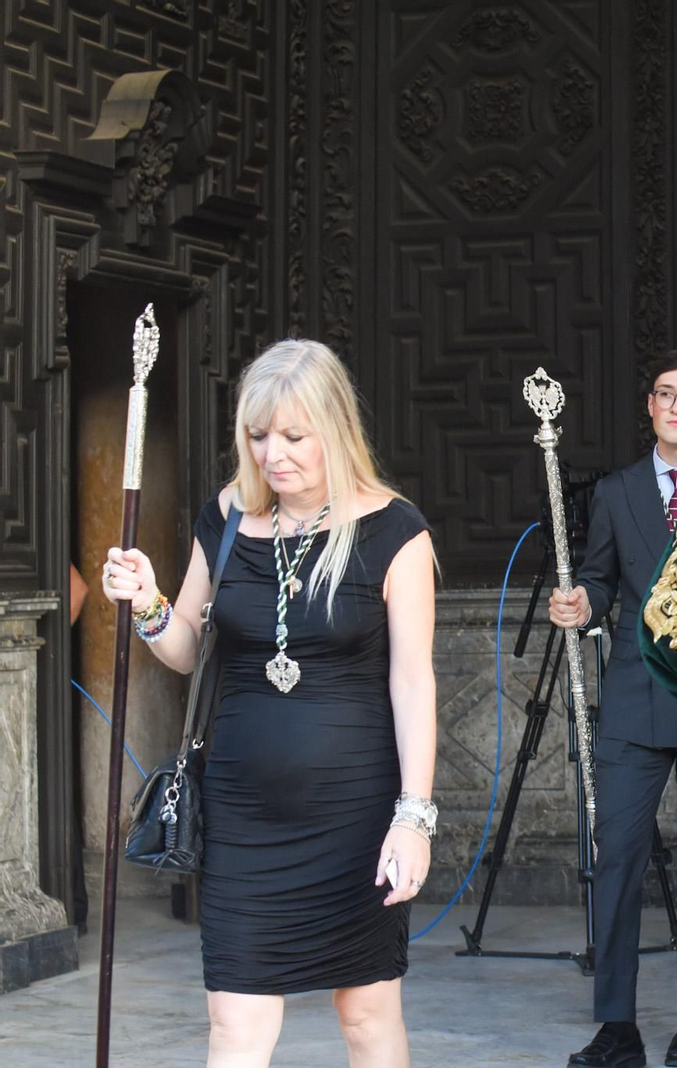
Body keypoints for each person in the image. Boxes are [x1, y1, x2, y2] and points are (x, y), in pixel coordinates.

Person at [100, 339, 437, 1067]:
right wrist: (148, 603)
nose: (271, 455)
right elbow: (186, 646)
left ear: (335, 429)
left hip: (353, 815)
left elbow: (413, 682)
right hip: (242, 815)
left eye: (292, 436)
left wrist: (414, 820)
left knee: (367, 1017)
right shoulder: (225, 518)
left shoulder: (394, 531)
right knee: (234, 1024)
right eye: (256, 437)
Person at [549, 349, 677, 1068]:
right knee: (615, 859)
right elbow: (597, 581)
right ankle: (617, 1025)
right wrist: (580, 602)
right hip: (633, 700)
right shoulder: (619, 492)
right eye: (666, 395)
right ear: (649, 405)